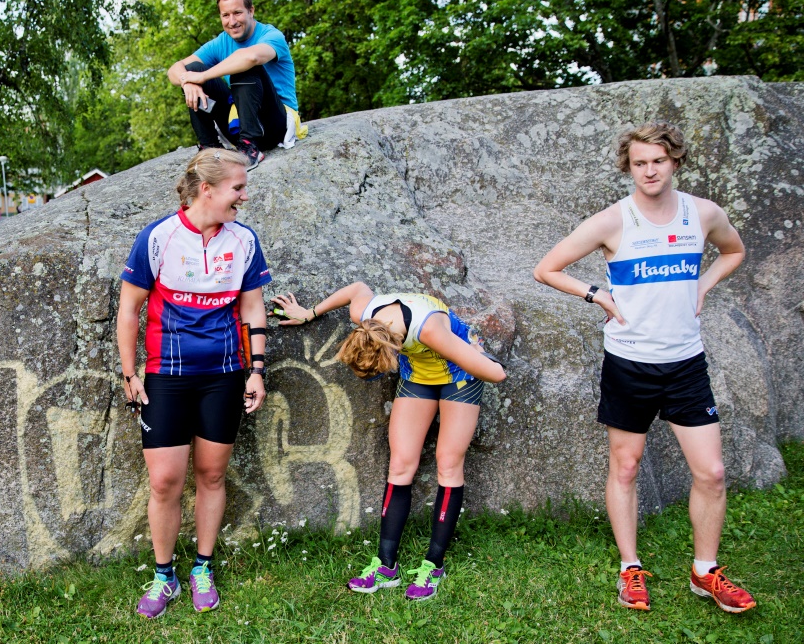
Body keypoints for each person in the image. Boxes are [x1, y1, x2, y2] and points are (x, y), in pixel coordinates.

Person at [533, 121, 755, 614]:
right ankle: (630, 569)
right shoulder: (614, 220)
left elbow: (733, 251)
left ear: (674, 161)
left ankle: (705, 572)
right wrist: (597, 295)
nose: (650, 170)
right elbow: (546, 268)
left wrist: (704, 284)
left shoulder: (703, 213)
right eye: (639, 163)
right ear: (628, 167)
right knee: (627, 466)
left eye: (658, 160)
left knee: (712, 472)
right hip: (629, 362)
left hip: (685, 364)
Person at [272, 283, 506, 601]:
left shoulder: (432, 331)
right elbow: (357, 289)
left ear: (392, 351)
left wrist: (476, 353)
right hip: (418, 375)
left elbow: (497, 374)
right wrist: (309, 313)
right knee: (399, 465)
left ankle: (434, 566)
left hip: (459, 374)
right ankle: (385, 566)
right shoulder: (364, 315)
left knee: (448, 464)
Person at [118, 148, 271, 618]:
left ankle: (202, 568)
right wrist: (129, 371)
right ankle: (165, 577)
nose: (244, 197)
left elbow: (251, 308)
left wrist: (257, 370)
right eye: (237, 188)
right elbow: (129, 309)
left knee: (211, 474)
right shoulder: (159, 237)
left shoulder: (243, 240)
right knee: (165, 481)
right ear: (207, 189)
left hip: (223, 377)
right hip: (166, 376)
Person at [167, 0, 305, 170]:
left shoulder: (272, 36)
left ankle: (251, 148)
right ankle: (209, 148)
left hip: (275, 124)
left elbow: (251, 57)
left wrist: (203, 76)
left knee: (245, 64)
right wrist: (187, 81)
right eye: (226, 15)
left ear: (251, 11)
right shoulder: (221, 42)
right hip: (236, 125)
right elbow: (175, 68)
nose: (232, 21)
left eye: (237, 13)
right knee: (192, 68)